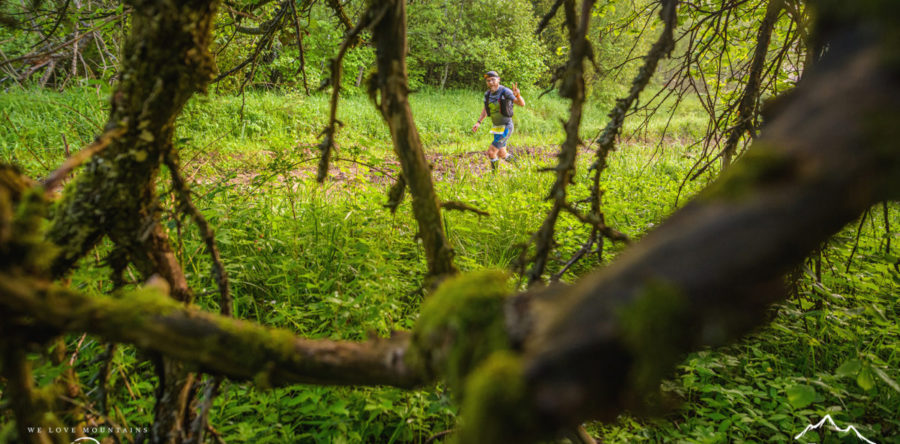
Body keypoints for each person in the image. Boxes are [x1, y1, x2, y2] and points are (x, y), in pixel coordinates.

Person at [471, 71, 525, 171]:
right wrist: (478, 122)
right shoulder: (487, 94)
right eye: (488, 80)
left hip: (506, 127)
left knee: (491, 152)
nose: (491, 82)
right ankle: (521, 167)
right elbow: (486, 110)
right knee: (502, 153)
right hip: (497, 127)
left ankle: (494, 176)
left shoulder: (505, 91)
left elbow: (521, 104)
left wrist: (518, 96)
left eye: (493, 79)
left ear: (498, 79)